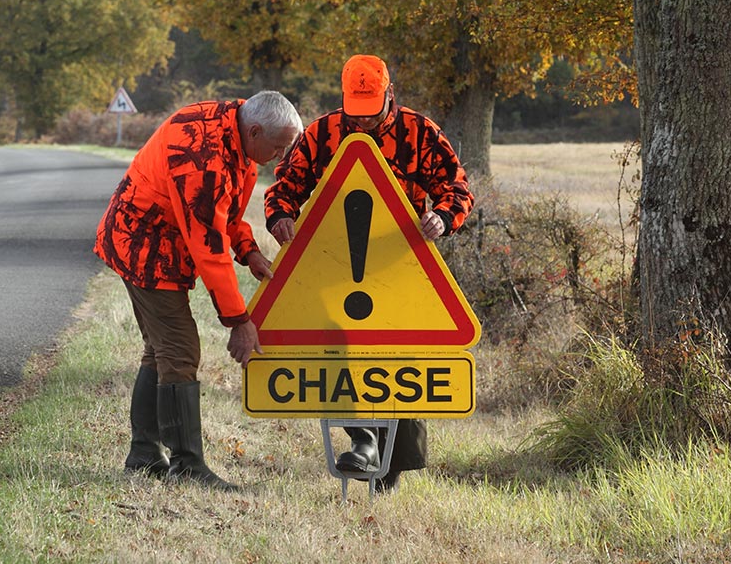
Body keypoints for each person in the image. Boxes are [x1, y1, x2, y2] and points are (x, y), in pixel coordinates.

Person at [264, 54, 473, 493]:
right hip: (332, 264)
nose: (361, 124)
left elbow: (456, 187)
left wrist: (444, 217)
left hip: (400, 263)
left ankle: (389, 464)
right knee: (343, 352)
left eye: (371, 113)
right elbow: (284, 187)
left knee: (400, 361)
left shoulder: (420, 132)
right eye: (354, 113)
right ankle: (363, 442)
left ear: (389, 96)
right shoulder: (321, 133)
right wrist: (281, 216)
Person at [95, 90, 303, 491]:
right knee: (179, 348)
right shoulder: (201, 157)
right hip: (142, 243)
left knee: (161, 349)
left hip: (166, 239)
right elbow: (209, 250)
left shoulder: (236, 127)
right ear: (256, 131)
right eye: (277, 147)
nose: (280, 157)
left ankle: (143, 455)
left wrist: (249, 250)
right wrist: (238, 321)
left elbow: (227, 212)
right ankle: (186, 466)